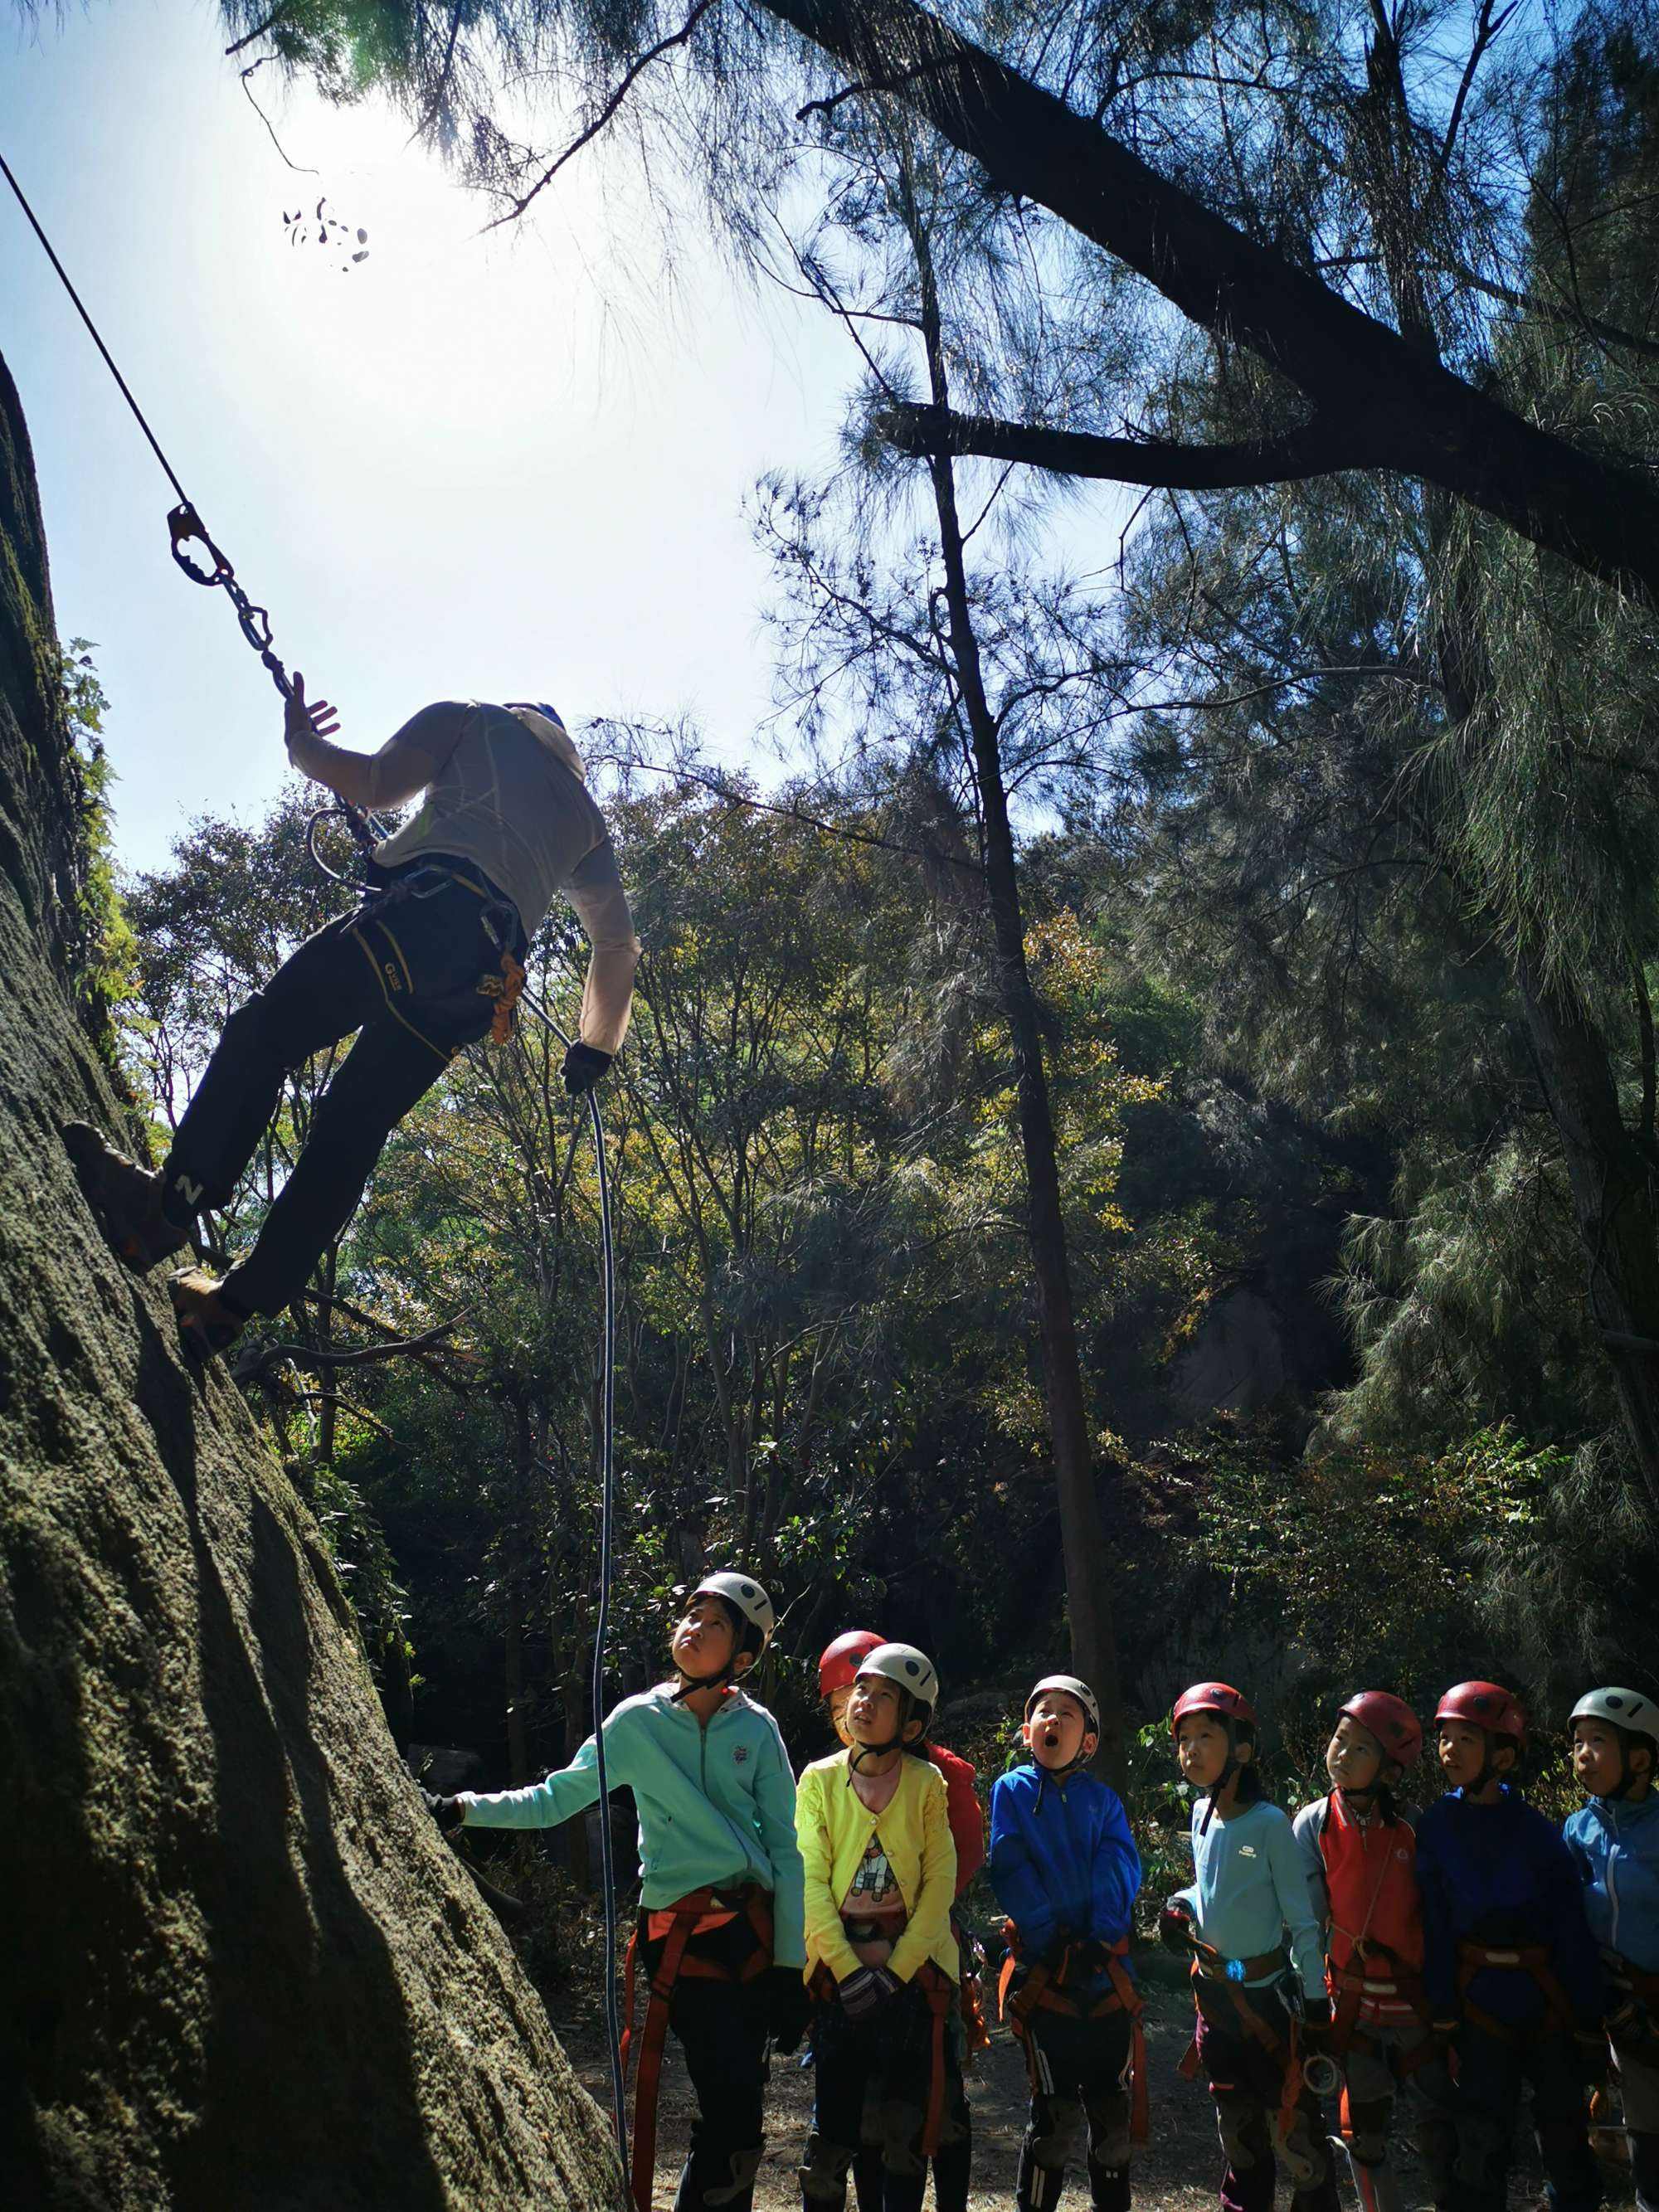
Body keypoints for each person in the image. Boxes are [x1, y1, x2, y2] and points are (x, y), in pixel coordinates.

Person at [67, 688, 639, 1353]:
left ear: (521, 715)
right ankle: (231, 1305)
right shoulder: (586, 818)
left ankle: (166, 1208)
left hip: (420, 919)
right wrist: (595, 1046)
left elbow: (373, 783)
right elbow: (617, 944)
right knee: (352, 1129)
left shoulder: (474, 718)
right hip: (479, 988)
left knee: (266, 1033)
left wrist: (304, 748)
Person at [427, 1573, 807, 2212]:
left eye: (716, 1624)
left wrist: (791, 1967)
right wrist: (460, 1806)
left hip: (750, 1933)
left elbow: (787, 1850)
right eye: (692, 1614)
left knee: (739, 2117)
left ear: (741, 1658)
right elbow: (553, 1798)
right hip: (684, 1942)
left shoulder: (758, 1728)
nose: (695, 1627)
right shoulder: (637, 1723)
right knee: (732, 2109)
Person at [1415, 1680, 1604, 2212]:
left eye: (1465, 1740)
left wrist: (1588, 2019)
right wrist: (1443, 2009)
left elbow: (1570, 1927)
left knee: (1564, 2134)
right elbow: (1434, 1922)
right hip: (1478, 2009)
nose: (1449, 1750)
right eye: (1445, 1738)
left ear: (1502, 1755)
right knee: (1480, 2138)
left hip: (1546, 2004)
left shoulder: (1539, 1834)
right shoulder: (1436, 1826)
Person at [815, 1632, 985, 2212]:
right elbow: (810, 1880)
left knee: (910, 2127)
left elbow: (943, 1879)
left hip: (915, 1971)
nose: (860, 1702)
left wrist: (897, 1965)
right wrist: (846, 1965)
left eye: (880, 1695)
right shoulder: (819, 1779)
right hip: (844, 1974)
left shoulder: (931, 1783)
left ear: (911, 1724)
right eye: (858, 1689)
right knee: (838, 2132)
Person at [1160, 1680, 1337, 2212]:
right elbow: (1208, 1887)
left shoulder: (1269, 1825)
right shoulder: (1200, 1815)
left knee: (1298, 2137)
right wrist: (1182, 1905)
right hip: (1216, 2003)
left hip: (1267, 2003)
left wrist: (1313, 2001)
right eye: (1183, 1738)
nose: (1190, 1749)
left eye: (1205, 1736)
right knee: (1238, 2136)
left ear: (1241, 1748)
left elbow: (1302, 1921)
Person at [988, 1674, 1145, 2211]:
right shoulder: (1010, 1790)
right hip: (1046, 1974)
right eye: (1043, 1712)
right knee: (1052, 2117)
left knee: (1110, 2117)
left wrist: (1101, 1934)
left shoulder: (1104, 1802)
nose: (1052, 1719)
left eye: (1067, 1713)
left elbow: (1119, 1862)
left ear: (1089, 1742)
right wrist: (1045, 1934)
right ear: (1028, 1729)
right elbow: (1009, 1862)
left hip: (1102, 1979)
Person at [1292, 1691, 1439, 2212]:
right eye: (1339, 1740)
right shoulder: (1314, 1824)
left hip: (1410, 2001)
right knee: (1365, 2131)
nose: (1342, 1754)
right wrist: (1311, 1993)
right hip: (1352, 2000)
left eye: (1360, 1749)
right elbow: (1308, 1919)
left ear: (1390, 1770)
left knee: (1439, 2123)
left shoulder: (1417, 1829)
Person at [1564, 1685, 1659, 2212]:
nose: (1582, 1754)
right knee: (1648, 2144)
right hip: (1620, 2008)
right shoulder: (1578, 1830)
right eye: (1577, 1742)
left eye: (1597, 1740)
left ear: (1640, 1758)